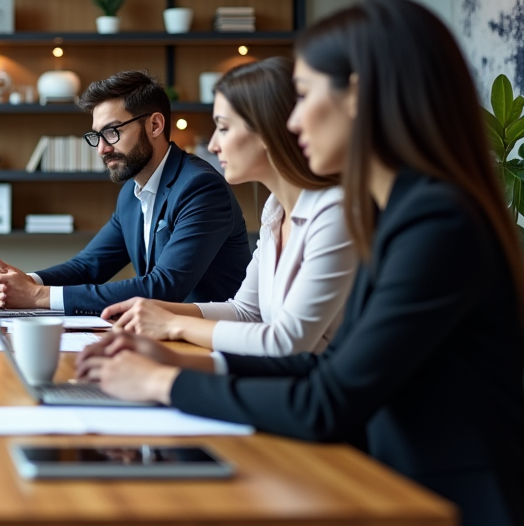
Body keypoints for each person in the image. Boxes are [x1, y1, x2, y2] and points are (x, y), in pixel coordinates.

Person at [77, 0, 524, 526]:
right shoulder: (403, 213)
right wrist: (167, 367)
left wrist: (163, 381)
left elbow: (327, 402)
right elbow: (325, 371)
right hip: (388, 505)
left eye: (304, 95)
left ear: (363, 95)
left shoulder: (436, 223)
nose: (292, 124)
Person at [102, 58, 356, 355]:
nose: (212, 145)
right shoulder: (275, 210)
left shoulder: (334, 212)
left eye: (223, 128)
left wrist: (173, 324)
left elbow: (286, 342)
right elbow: (246, 311)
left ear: (267, 130)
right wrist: (158, 310)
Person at [0, 70, 251, 315]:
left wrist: (38, 296)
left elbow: (164, 287)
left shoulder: (200, 187)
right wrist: (26, 281)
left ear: (155, 126)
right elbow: (88, 266)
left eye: (112, 132)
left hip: (213, 343)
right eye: (96, 136)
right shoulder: (131, 193)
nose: (101, 149)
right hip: (162, 336)